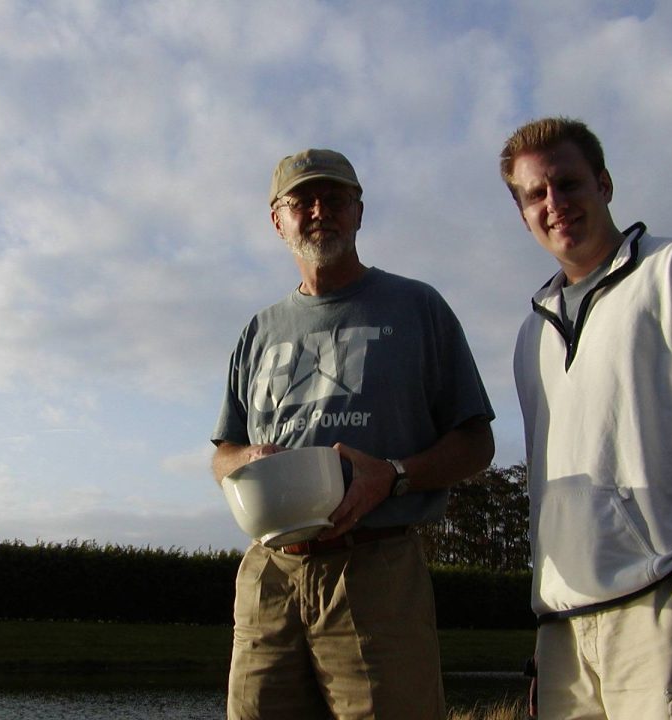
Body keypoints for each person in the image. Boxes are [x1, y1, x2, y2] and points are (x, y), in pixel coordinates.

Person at [211, 148, 495, 719]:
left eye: (335, 198)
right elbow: (223, 452)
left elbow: (476, 443)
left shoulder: (418, 307)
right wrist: (247, 458)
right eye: (303, 201)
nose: (320, 211)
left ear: (358, 212)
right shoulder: (258, 330)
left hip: (377, 571)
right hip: (269, 574)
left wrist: (392, 475)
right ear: (277, 220)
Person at [499, 116, 672, 719]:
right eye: (536, 194)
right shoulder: (529, 334)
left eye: (568, 184)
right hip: (563, 641)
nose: (555, 204)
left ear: (604, 184)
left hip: (669, 622)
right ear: (522, 213)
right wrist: (547, 635)